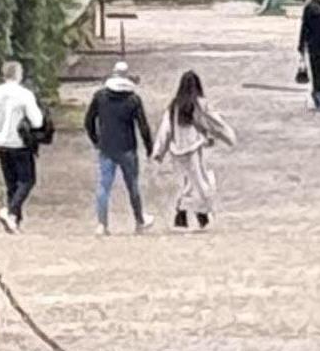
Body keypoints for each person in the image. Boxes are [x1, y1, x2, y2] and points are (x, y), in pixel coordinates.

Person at [82, 64, 154, 234]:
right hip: (127, 147)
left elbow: (88, 121)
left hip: (106, 147)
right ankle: (139, 220)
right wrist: (150, 147)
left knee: (104, 186)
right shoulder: (133, 99)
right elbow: (143, 126)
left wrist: (96, 140)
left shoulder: (100, 96)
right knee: (133, 185)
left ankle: (102, 224)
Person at [162, 69, 237, 229]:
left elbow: (166, 129)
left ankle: (183, 215)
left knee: (190, 182)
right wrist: (228, 136)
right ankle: (200, 213)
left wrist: (159, 150)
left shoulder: (174, 105)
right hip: (194, 149)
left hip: (177, 150)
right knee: (202, 183)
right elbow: (214, 122)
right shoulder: (200, 104)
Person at [0, 57, 47, 232]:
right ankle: (9, 211)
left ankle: (13, 220)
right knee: (27, 180)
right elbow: (37, 121)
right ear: (19, 74)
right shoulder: (24, 94)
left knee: (11, 184)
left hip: (0, 143)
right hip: (20, 143)